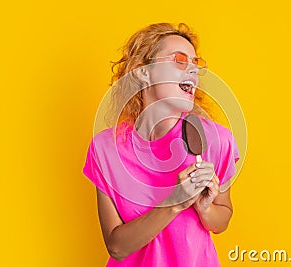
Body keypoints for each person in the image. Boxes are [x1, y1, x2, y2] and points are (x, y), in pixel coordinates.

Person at [83, 22, 239, 266]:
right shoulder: (105, 148)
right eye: (179, 60)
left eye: (195, 64)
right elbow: (117, 247)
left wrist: (205, 208)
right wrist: (174, 202)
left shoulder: (216, 140)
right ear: (142, 72)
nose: (193, 71)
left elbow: (223, 219)